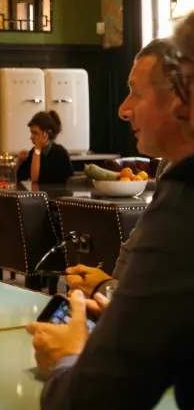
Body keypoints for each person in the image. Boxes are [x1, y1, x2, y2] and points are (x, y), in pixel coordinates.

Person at [26, 20, 194, 410]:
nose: (122, 108)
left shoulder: (186, 197)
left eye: (136, 92)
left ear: (183, 98)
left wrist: (68, 356)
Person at [63, 38, 194, 300]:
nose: (123, 110)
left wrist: (107, 290)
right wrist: (109, 295)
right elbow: (139, 244)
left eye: (137, 93)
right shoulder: (170, 166)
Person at [16, 110, 73, 186]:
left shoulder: (60, 153)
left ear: (47, 134)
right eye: (31, 132)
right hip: (39, 197)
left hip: (57, 196)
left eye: (35, 133)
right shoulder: (33, 152)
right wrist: (19, 161)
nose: (31, 137)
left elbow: (35, 179)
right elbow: (16, 178)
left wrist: (37, 148)